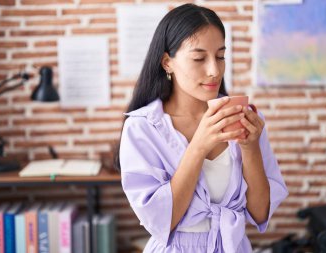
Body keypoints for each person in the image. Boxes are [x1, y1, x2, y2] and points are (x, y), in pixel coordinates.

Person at [115, 3, 288, 253]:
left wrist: (250, 148)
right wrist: (199, 145)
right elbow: (162, 220)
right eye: (199, 58)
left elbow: (260, 215)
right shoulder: (142, 128)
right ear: (167, 62)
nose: (214, 70)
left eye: (220, 56)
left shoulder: (246, 118)